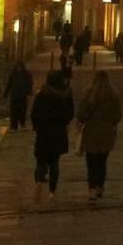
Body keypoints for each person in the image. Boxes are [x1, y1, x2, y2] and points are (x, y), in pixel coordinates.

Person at [77, 71, 122, 201]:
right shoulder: (113, 95)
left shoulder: (89, 94)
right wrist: (111, 123)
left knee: (91, 162)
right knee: (102, 162)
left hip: (91, 132)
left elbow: (81, 113)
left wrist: (83, 120)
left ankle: (91, 189)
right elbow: (118, 115)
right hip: (106, 133)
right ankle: (99, 187)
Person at [30, 71, 74, 203]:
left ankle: (38, 182)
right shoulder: (65, 95)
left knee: (41, 160)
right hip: (58, 132)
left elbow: (34, 113)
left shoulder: (42, 94)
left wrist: (37, 126)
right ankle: (51, 193)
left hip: (43, 132)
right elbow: (70, 113)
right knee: (54, 162)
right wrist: (63, 123)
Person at [4, 61, 34, 131]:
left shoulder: (27, 75)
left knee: (22, 111)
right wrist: (6, 94)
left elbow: (30, 84)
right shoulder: (13, 75)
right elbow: (9, 84)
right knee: (13, 111)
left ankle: (22, 124)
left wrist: (29, 93)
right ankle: (14, 126)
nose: (18, 69)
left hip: (22, 96)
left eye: (20, 68)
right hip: (14, 95)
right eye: (17, 68)